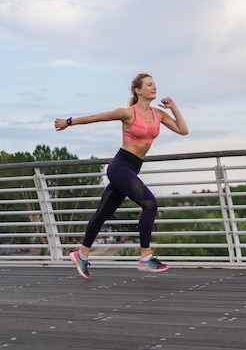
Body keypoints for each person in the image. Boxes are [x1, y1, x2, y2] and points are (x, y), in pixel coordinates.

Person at [54, 73, 189, 279]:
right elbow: (95, 117)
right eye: (149, 85)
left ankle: (81, 254)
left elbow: (183, 130)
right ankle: (145, 257)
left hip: (133, 169)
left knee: (103, 213)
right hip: (120, 166)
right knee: (150, 204)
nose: (154, 87)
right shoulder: (127, 113)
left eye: (155, 84)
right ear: (138, 90)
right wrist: (68, 122)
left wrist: (173, 107)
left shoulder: (158, 114)